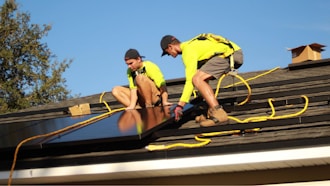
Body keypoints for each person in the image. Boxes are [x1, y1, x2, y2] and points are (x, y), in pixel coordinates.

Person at [160, 33, 243, 127]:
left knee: (196, 79)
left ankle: (219, 113)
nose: (169, 55)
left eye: (167, 53)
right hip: (231, 52)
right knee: (199, 76)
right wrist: (200, 99)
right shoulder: (193, 46)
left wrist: (180, 105)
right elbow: (201, 77)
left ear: (170, 47)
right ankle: (209, 112)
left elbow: (190, 80)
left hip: (229, 55)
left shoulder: (188, 50)